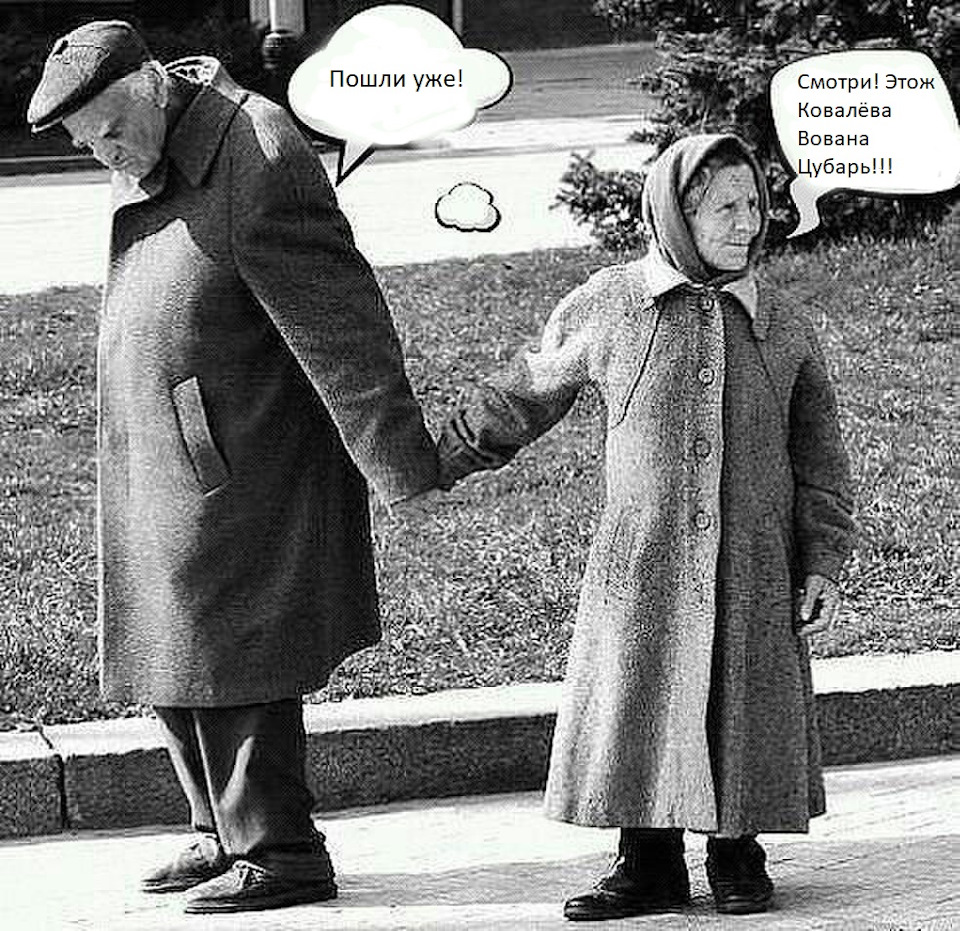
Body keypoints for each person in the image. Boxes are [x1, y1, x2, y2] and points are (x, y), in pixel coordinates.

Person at [28, 21, 439, 915]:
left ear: (151, 81)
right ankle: (219, 827)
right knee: (172, 638)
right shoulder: (162, 137)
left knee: (235, 647)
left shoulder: (256, 150)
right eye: (86, 143)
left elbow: (339, 310)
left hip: (242, 448)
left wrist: (397, 452)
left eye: (110, 129)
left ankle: (281, 851)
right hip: (170, 447)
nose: (105, 152)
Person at [438, 133, 856, 919]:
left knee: (740, 696)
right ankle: (647, 861)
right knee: (642, 697)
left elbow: (820, 455)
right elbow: (528, 390)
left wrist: (823, 559)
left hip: (752, 560)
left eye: (754, 204)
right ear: (677, 215)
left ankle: (737, 851)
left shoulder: (783, 324)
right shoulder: (612, 303)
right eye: (724, 208)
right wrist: (438, 453)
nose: (747, 222)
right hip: (644, 559)